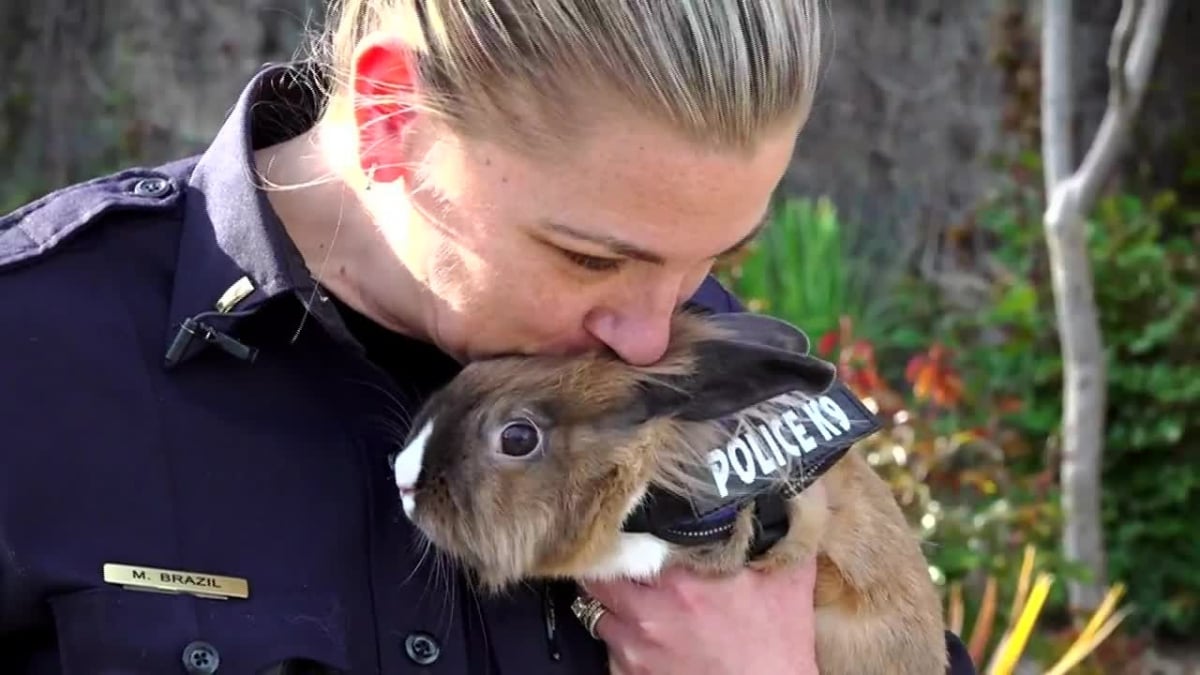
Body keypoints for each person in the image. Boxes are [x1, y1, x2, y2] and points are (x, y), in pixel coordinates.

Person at [0, 0, 977, 673]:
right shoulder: (38, 353)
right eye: (591, 260)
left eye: (712, 258)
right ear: (391, 120)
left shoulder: (720, 391)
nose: (649, 338)